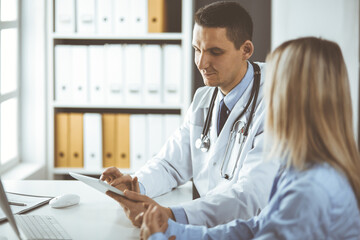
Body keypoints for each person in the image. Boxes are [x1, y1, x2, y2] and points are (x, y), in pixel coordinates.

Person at [139, 37, 360, 240]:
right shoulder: (301, 168)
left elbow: (252, 207)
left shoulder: (311, 190)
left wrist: (157, 238)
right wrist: (174, 229)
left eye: (273, 86)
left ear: (294, 98)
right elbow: (256, 227)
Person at [101, 1, 278, 227]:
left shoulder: (276, 102)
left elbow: (250, 196)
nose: (202, 63)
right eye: (197, 49)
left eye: (215, 52)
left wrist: (170, 215)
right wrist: (136, 185)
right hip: (211, 227)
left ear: (246, 50)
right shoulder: (204, 98)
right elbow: (171, 164)